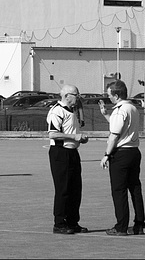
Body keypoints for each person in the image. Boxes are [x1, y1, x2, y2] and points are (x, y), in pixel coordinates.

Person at [99, 80, 145, 236]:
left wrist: (106, 154)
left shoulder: (120, 110)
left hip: (121, 154)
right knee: (135, 188)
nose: (109, 98)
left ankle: (121, 226)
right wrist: (106, 115)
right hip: (134, 151)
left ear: (117, 95)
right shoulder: (132, 108)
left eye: (110, 95)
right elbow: (121, 127)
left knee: (119, 191)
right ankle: (139, 224)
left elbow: (114, 135)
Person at [46, 85, 89, 235]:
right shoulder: (57, 110)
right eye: (76, 95)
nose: (78, 98)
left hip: (72, 152)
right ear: (67, 96)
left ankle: (73, 221)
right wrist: (74, 137)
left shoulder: (72, 111)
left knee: (75, 189)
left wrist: (79, 139)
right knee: (63, 189)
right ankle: (59, 223)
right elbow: (53, 134)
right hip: (60, 153)